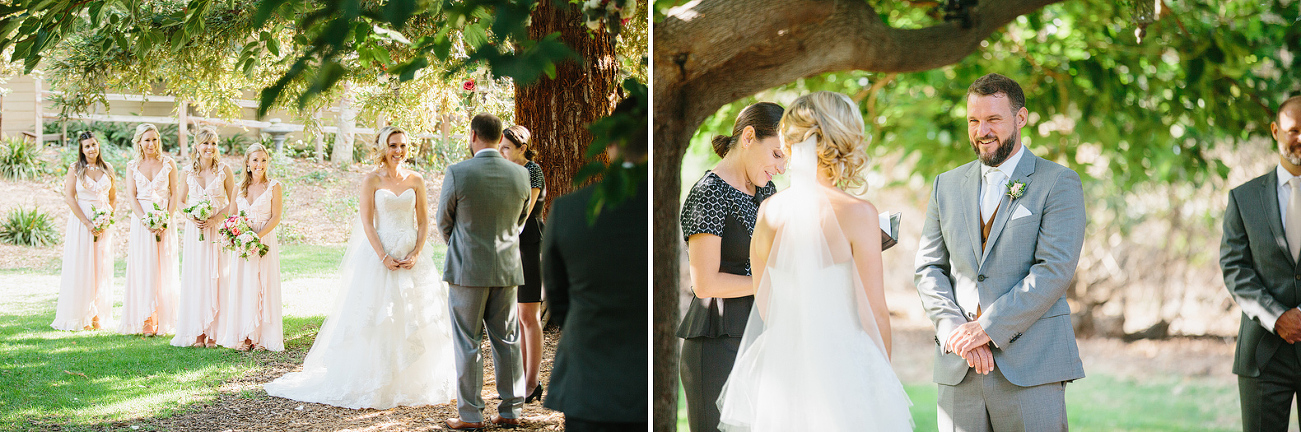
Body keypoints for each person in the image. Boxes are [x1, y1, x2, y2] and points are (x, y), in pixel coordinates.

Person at [715, 91, 912, 431]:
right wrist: (882, 382)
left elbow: (765, 302)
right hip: (845, 369)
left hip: (783, 372)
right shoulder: (859, 214)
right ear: (845, 139)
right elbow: (875, 312)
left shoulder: (770, 211)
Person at [914, 73, 1086, 430]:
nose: (982, 131)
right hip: (959, 368)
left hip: (1030, 368)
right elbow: (928, 268)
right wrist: (955, 331)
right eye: (974, 121)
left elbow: (1053, 270)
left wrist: (987, 328)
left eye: (993, 119)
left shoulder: (1058, 182)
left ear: (1020, 118)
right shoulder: (945, 185)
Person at [264, 126, 456, 409]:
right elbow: (367, 221)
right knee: (376, 318)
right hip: (381, 255)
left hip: (411, 256)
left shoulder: (416, 180)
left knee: (414, 316)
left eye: (402, 145)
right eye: (393, 145)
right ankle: (377, 380)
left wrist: (415, 253)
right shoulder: (371, 180)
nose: (398, 151)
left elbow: (424, 220)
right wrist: (383, 256)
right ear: (383, 147)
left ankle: (412, 382)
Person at [542, 96, 648, 431]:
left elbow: (558, 301)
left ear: (611, 143)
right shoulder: (665, 204)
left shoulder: (569, 209)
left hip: (589, 381)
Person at [678, 102, 785, 432]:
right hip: (716, 344)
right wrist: (773, 283)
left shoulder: (767, 190)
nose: (781, 168)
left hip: (762, 333)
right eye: (777, 154)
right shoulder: (708, 193)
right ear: (750, 136)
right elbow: (705, 283)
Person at [437, 113, 531, 430]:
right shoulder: (520, 176)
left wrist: (464, 246)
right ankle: (511, 411)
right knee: (507, 340)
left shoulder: (458, 172)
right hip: (506, 268)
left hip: (467, 271)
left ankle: (471, 416)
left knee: (467, 341)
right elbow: (519, 223)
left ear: (473, 135)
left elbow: (443, 221)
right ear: (496, 136)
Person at [1221, 95, 1301, 432]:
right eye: (1293, 130)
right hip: (1264, 355)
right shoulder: (1244, 198)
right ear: (1275, 131)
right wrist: (1277, 316)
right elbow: (1235, 268)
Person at [172, 127, 235, 348]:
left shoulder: (224, 170)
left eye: (214, 143)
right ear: (196, 146)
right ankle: (198, 332)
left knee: (217, 277)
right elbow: (179, 202)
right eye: (205, 143)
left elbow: (233, 202)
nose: (210, 148)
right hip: (195, 231)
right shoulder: (187, 172)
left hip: (216, 231)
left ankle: (216, 332)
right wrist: (191, 215)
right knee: (197, 278)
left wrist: (216, 218)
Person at [217, 144, 284, 351]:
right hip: (243, 241)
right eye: (255, 160)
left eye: (263, 160)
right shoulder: (239, 188)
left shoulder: (274, 186)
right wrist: (237, 234)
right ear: (247, 163)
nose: (259, 165)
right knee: (244, 285)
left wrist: (257, 236)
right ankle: (245, 335)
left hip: (263, 239)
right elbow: (232, 216)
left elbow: (276, 217)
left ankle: (263, 337)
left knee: (263, 283)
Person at [499, 124, 547, 403]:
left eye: (506, 147)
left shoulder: (533, 170)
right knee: (518, 316)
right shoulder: (505, 169)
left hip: (527, 246)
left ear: (522, 148)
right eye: (500, 147)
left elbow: (524, 212)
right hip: (508, 247)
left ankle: (532, 382)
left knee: (530, 316)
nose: (502, 152)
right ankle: (523, 379)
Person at [51, 131, 118, 331]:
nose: (91, 149)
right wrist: (87, 222)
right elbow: (70, 197)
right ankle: (81, 315)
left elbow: (113, 197)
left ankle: (98, 315)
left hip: (103, 223)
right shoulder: (75, 169)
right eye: (87, 146)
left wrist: (107, 218)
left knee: (100, 267)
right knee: (82, 265)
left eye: (94, 145)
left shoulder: (108, 169)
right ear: (81, 149)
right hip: (82, 221)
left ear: (99, 146)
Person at [119, 123, 180, 336]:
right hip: (142, 222)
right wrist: (145, 220)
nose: (151, 144)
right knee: (144, 267)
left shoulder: (169, 163)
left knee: (164, 267)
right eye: (147, 140)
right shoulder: (132, 166)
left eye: (154, 139)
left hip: (164, 220)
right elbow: (131, 196)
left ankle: (164, 317)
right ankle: (146, 318)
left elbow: (174, 194)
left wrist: (166, 219)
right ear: (139, 142)